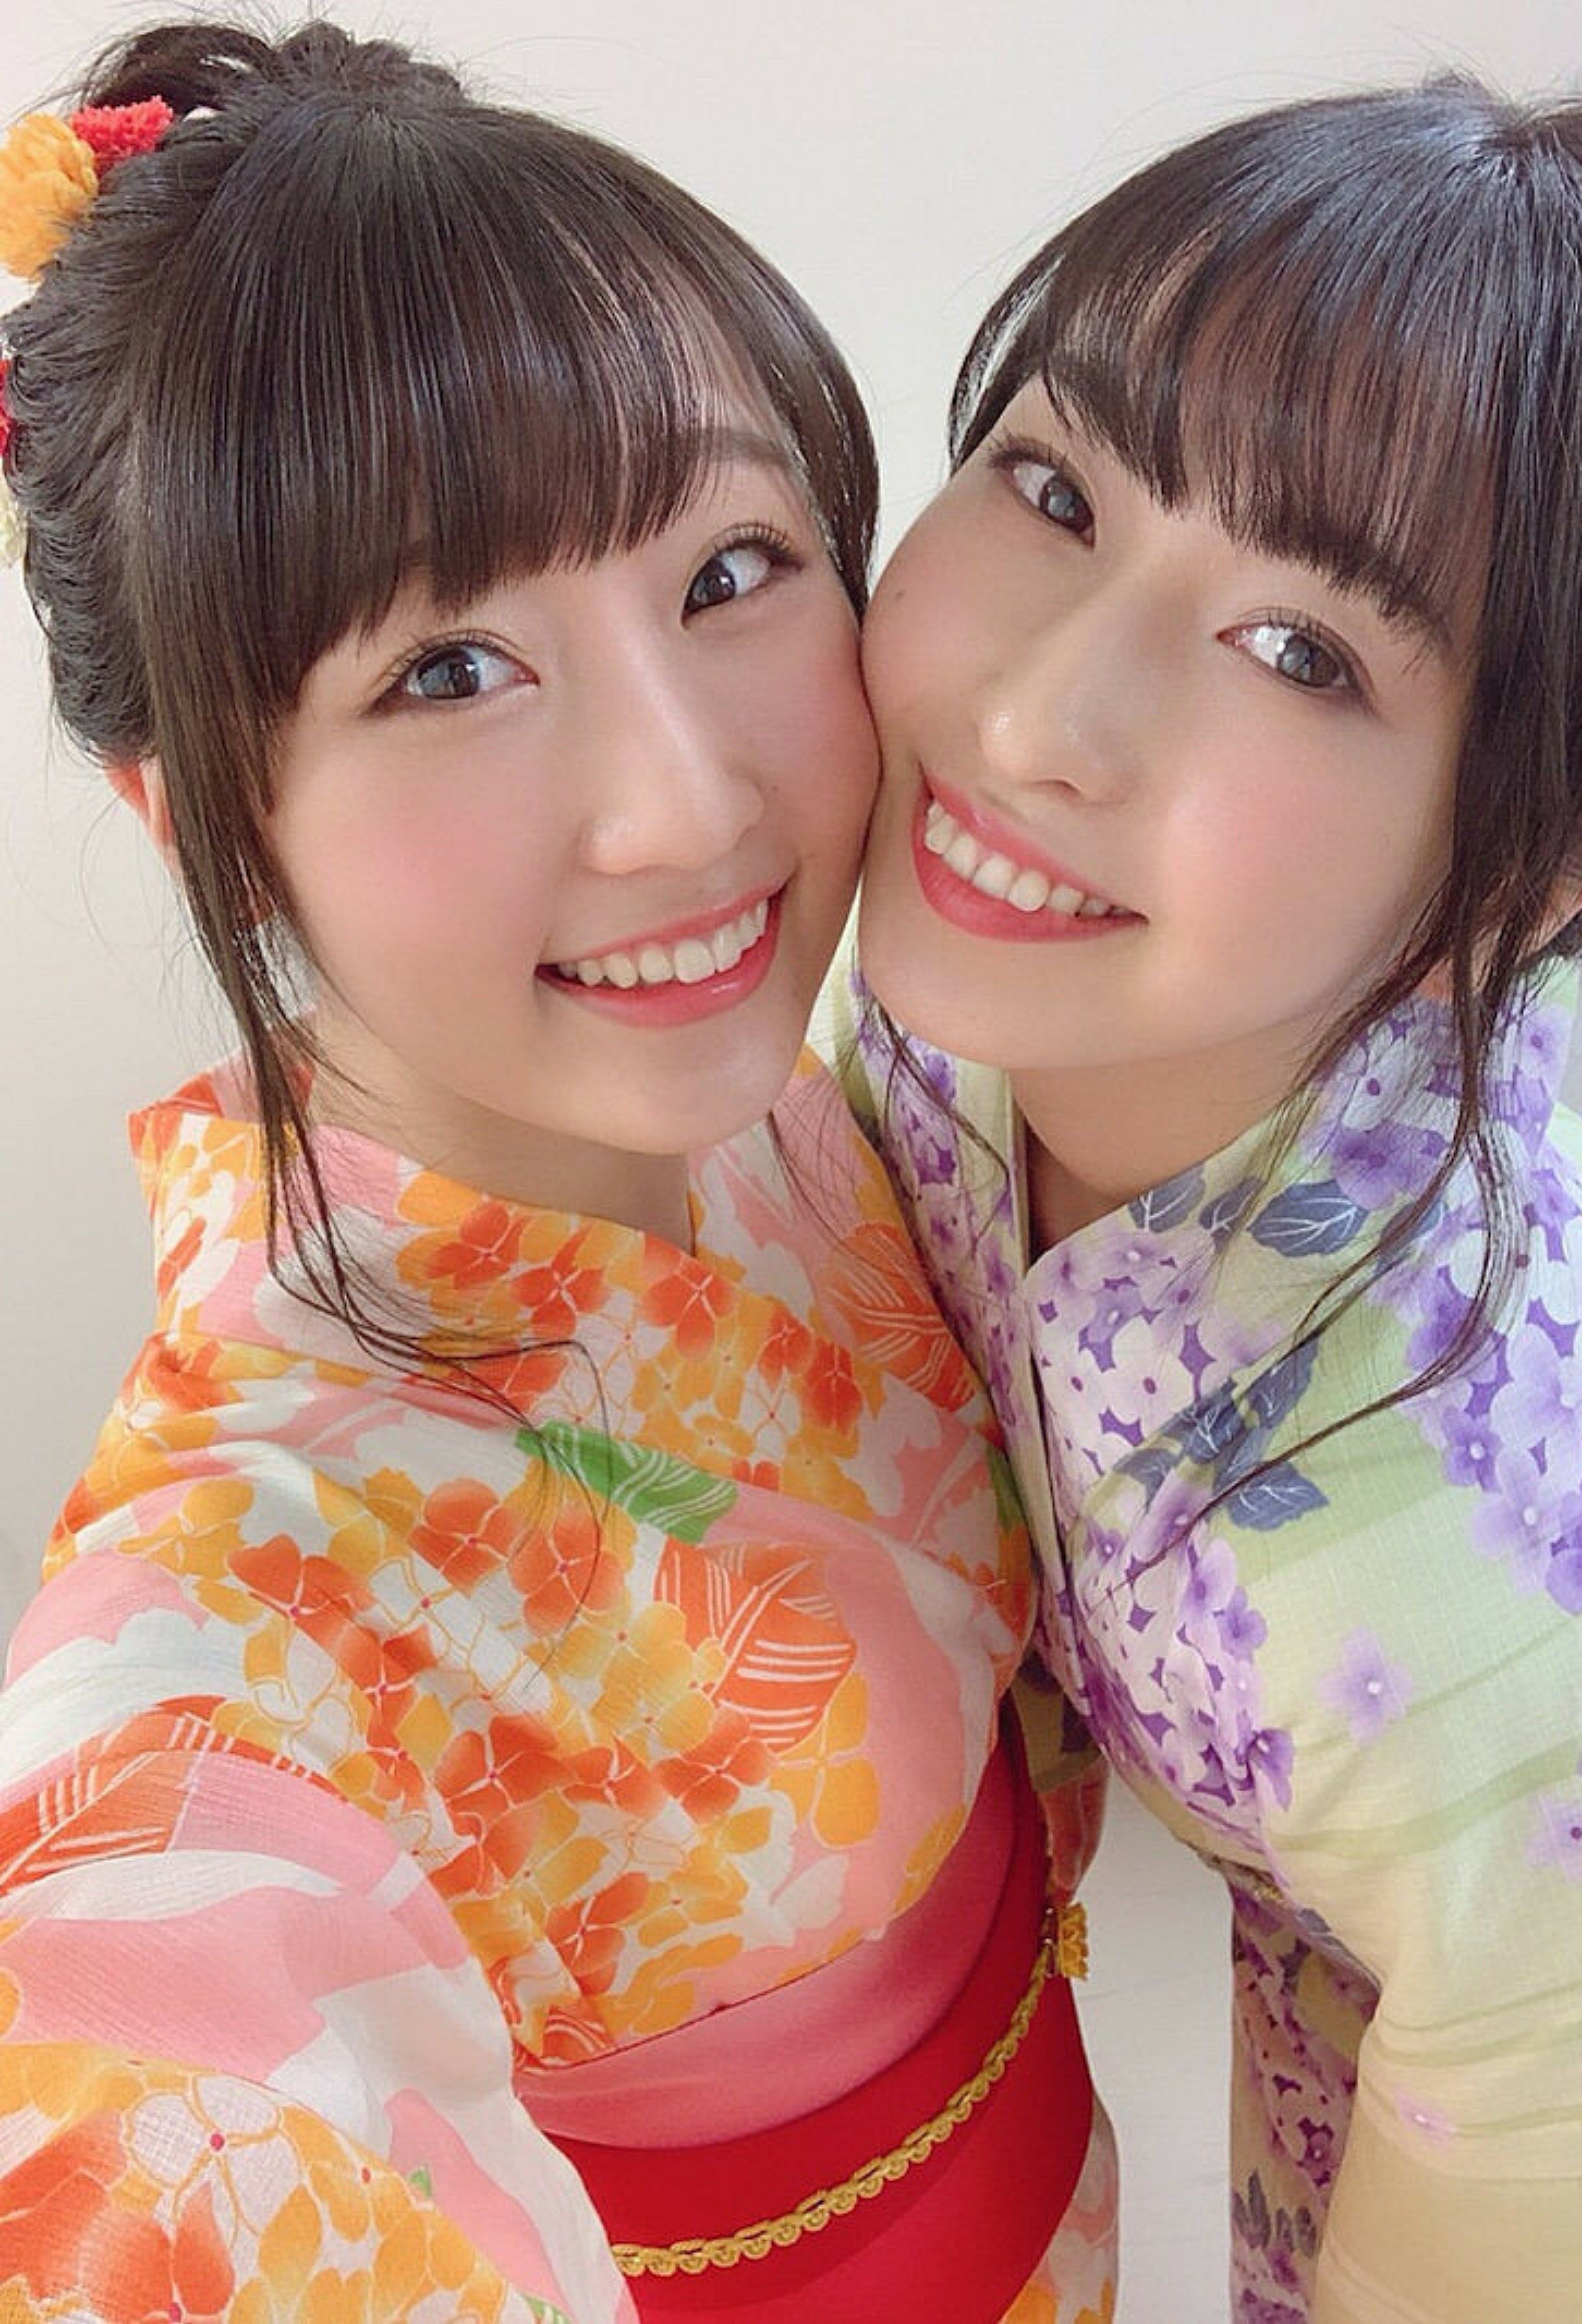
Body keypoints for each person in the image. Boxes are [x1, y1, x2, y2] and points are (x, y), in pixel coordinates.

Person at [0, 21, 1117, 2319]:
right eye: (444, 670)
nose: (688, 805)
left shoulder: (805, 1120)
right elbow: (141, 2114)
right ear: (193, 814)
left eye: (733, 570)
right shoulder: (222, 1618)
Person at [840, 80, 1582, 2324]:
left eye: (1306, 651)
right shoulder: (973, 1010)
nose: (1038, 719)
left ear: (1531, 870)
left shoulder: (1502, 1678)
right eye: (1054, 488)